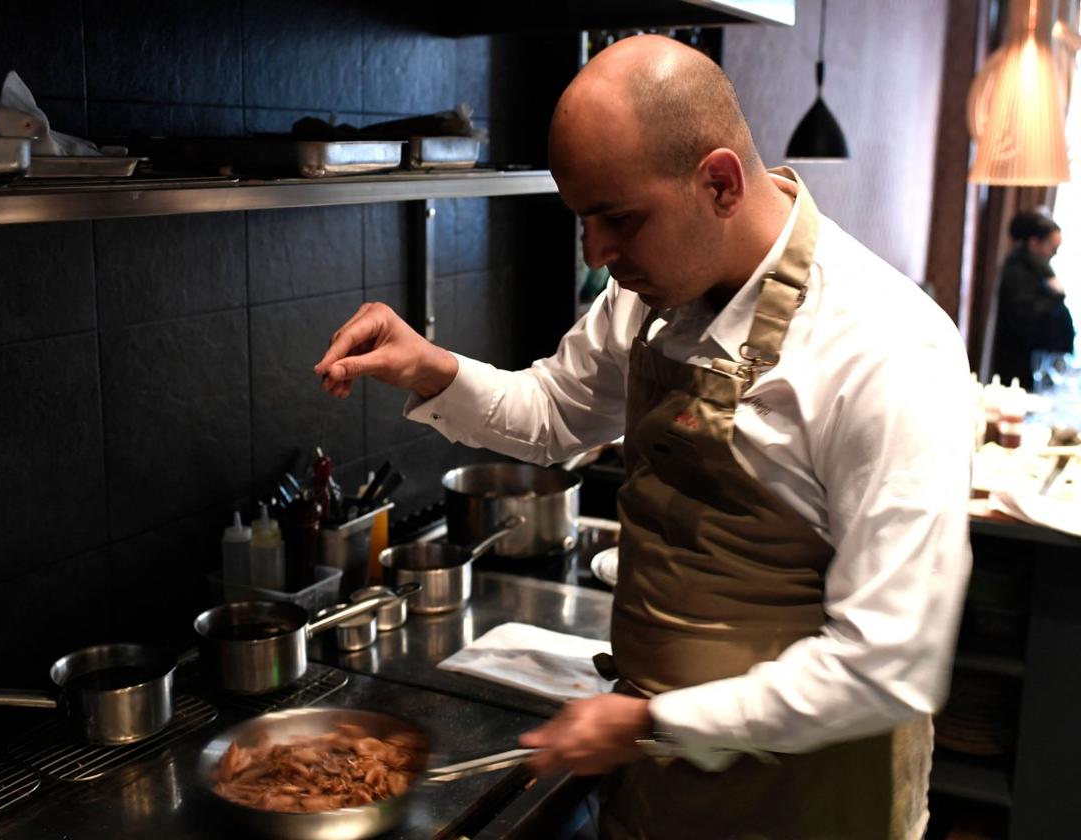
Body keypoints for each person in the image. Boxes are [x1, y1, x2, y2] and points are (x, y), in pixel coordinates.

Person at [315, 36, 973, 839]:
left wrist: (651, 722)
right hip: (661, 793)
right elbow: (555, 412)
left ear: (721, 183)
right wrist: (429, 368)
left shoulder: (887, 349)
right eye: (584, 221)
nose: (597, 256)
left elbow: (887, 665)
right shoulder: (651, 296)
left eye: (618, 219)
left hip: (813, 804)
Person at [991, 211, 1075, 389]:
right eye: (1052, 247)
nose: (1054, 253)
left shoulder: (1037, 268)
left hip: (1042, 366)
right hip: (1021, 368)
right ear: (1034, 242)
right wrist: (1056, 295)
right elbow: (1027, 316)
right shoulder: (1017, 271)